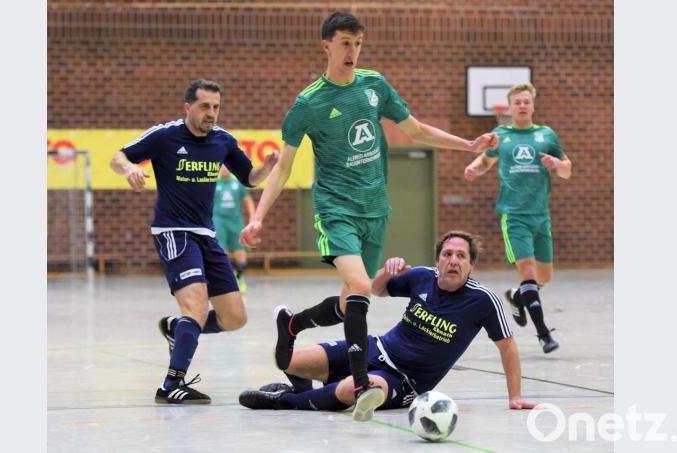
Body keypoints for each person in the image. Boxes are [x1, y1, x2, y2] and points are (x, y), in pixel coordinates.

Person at [238, 11, 498, 421]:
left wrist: (468, 145)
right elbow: (284, 167)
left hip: (375, 211)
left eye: (357, 44)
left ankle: (292, 324)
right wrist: (259, 218)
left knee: (349, 303)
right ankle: (361, 384)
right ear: (326, 45)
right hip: (335, 210)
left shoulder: (374, 85)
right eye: (345, 43)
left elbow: (416, 130)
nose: (352, 51)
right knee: (361, 286)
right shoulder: (308, 103)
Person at [238, 231, 537, 420]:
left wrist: (514, 397)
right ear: (438, 260)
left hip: (404, 381)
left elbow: (507, 346)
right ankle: (300, 387)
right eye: (447, 254)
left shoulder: (483, 300)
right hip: (375, 348)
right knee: (289, 360)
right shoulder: (422, 277)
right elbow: (377, 289)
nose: (453, 261)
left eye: (461, 256)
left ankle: (285, 401)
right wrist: (387, 271)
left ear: (472, 264)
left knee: (354, 390)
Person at [109, 79, 279, 404]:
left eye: (216, 107)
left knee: (234, 318)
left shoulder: (223, 141)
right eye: (204, 106)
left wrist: (267, 168)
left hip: (206, 234)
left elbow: (249, 178)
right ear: (188, 107)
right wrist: (130, 169)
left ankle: (179, 327)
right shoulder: (165, 136)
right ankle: (171, 385)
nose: (211, 113)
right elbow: (117, 157)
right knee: (197, 307)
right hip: (173, 231)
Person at [464, 83, 572, 354]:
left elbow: (567, 170)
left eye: (526, 101)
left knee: (544, 277)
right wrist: (474, 168)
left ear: (533, 106)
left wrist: (557, 165)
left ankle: (517, 296)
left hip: (541, 215)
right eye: (517, 102)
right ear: (510, 107)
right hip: (514, 215)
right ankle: (544, 335)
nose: (522, 105)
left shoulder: (546, 135)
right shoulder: (500, 135)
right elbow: (485, 160)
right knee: (528, 270)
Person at [213, 165, 255, 293]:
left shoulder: (237, 183)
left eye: (227, 167)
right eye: (222, 166)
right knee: (221, 251)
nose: (224, 169)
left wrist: (253, 217)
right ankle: (228, 279)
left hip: (236, 221)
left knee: (240, 252)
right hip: (219, 221)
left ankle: (239, 277)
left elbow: (248, 200)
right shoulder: (213, 182)